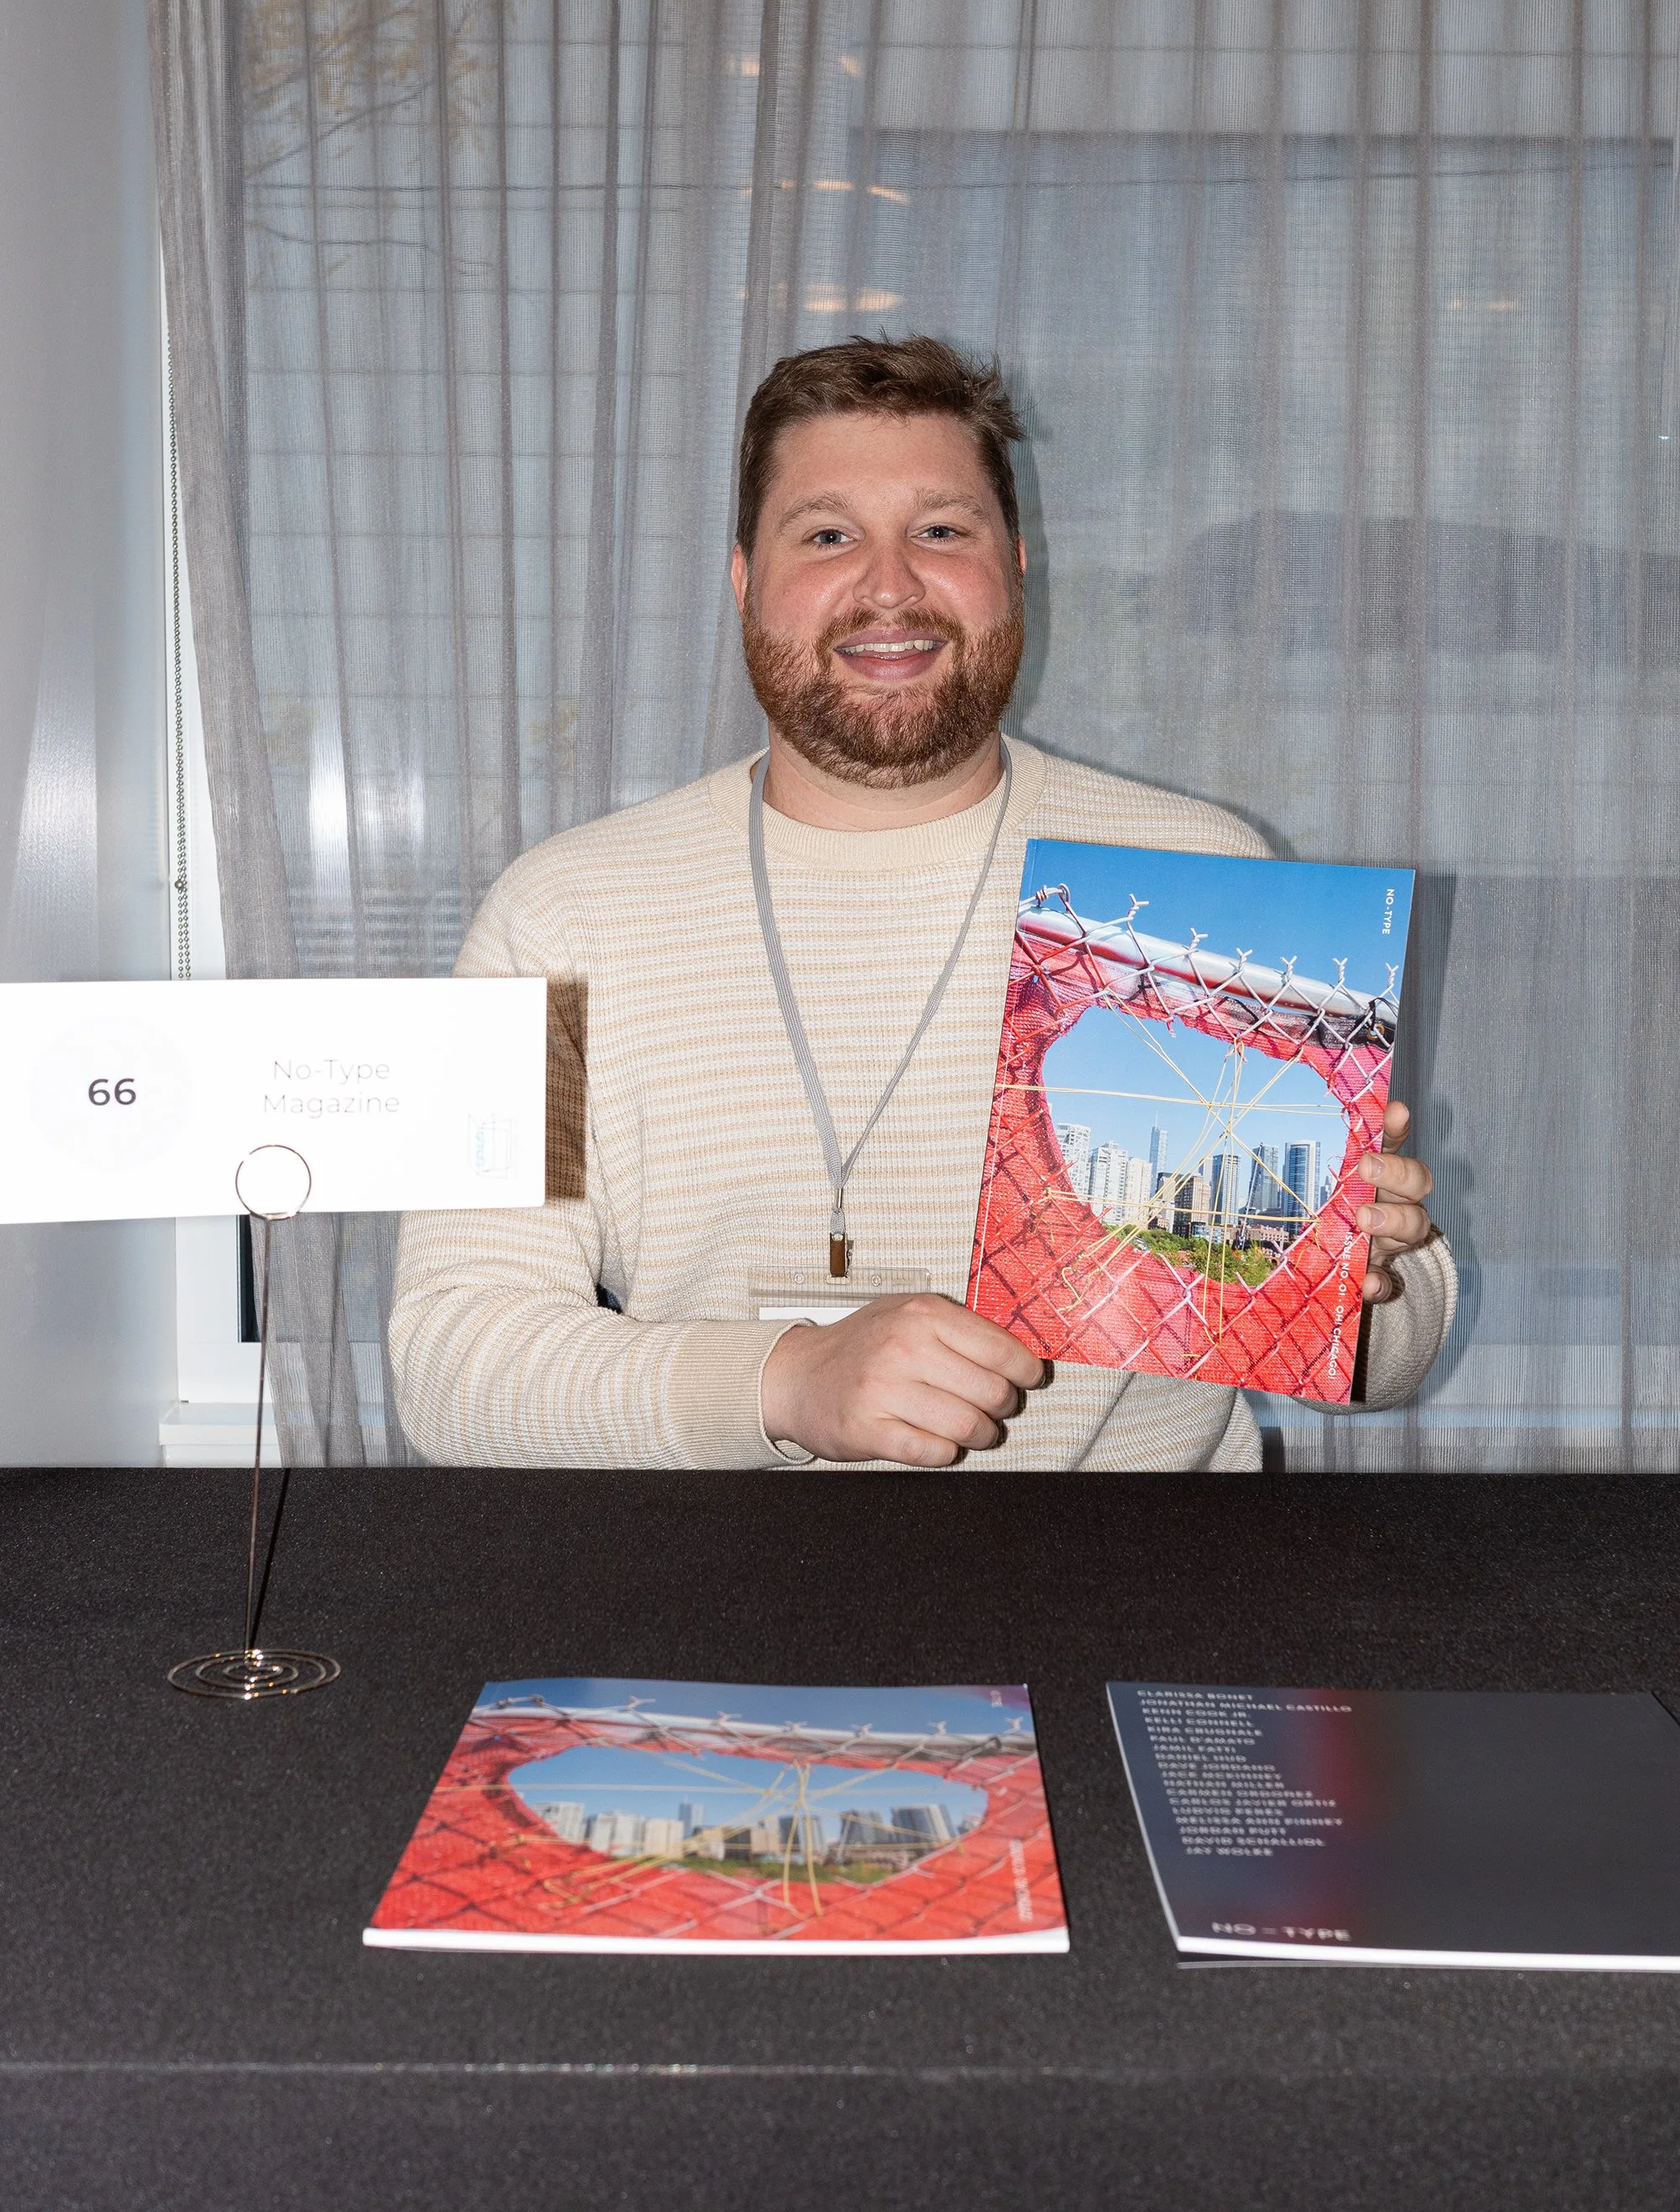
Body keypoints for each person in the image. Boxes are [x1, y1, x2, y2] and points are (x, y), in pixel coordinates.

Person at [390, 336, 1454, 1470]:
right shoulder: (560, 914)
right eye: (828, 535)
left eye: (941, 531)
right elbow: (455, 1363)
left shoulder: (1199, 878)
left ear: (1017, 565)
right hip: (708, 1612)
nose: (889, 585)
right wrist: (786, 1379)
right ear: (746, 579)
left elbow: (1378, 1366)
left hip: (1133, 1599)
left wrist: (1366, 1277)